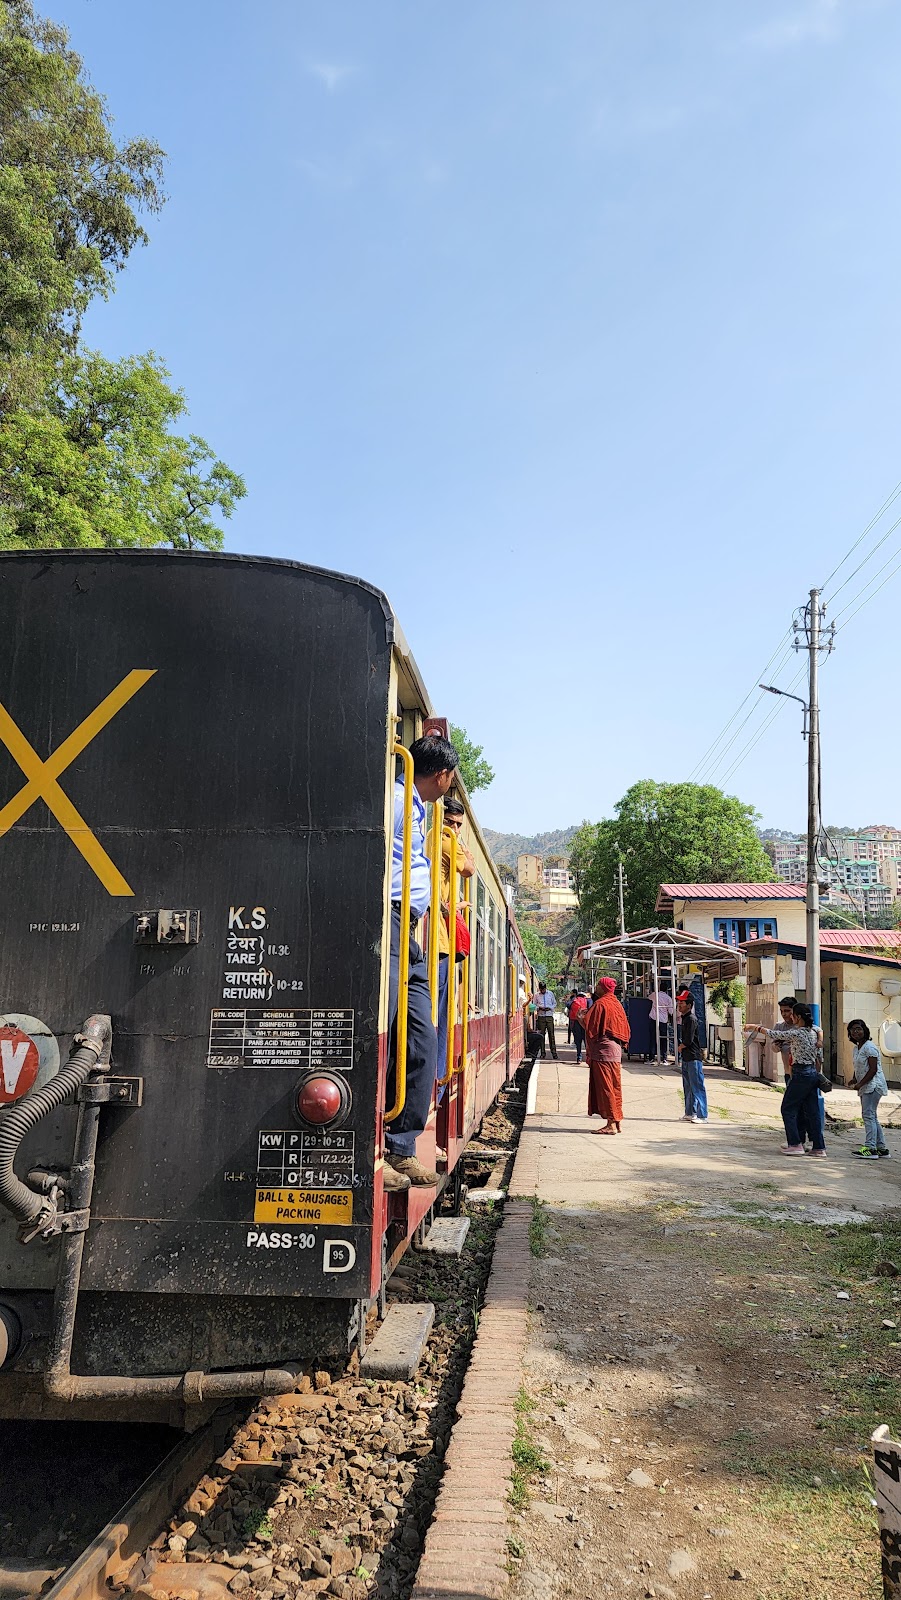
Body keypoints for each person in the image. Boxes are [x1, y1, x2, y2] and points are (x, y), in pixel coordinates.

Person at [386, 732, 458, 1190]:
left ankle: (401, 1146)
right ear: (443, 775)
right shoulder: (396, 801)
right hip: (390, 920)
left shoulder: (414, 806)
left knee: (421, 1036)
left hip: (409, 930)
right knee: (388, 1027)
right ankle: (377, 1149)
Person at [435, 796, 474, 1089]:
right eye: (450, 822)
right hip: (439, 941)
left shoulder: (430, 838)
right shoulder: (446, 840)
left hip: (439, 934)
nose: (454, 828)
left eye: (458, 825)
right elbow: (469, 870)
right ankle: (437, 1084)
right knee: (441, 1016)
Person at [754, 1001, 826, 1157]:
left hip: (800, 1074)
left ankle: (795, 1144)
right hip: (812, 1073)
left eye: (792, 1014)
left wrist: (756, 1028)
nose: (789, 1017)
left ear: (797, 1017)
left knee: (788, 1109)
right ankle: (818, 1147)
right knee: (812, 1111)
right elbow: (818, 1051)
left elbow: (774, 1034)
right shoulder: (813, 1033)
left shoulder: (797, 1033)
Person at [585, 976, 631, 1133]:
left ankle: (611, 1124)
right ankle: (616, 1122)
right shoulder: (617, 1004)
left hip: (603, 1052)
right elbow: (625, 1029)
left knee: (606, 1088)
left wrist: (581, 1019)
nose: (596, 987)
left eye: (598, 985)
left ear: (603, 988)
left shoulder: (601, 1004)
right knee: (615, 1087)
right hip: (616, 1052)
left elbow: (591, 1028)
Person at [848, 1020, 890, 1159]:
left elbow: (873, 1069)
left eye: (858, 1029)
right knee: (872, 1116)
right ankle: (881, 1148)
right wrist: (854, 1079)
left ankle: (870, 1148)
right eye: (852, 1030)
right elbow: (859, 1066)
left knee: (868, 1115)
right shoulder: (857, 1048)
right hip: (866, 1085)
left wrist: (860, 1084)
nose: (856, 1032)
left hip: (873, 1085)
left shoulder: (870, 1047)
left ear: (865, 1030)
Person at [677, 990, 708, 1124]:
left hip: (693, 1057)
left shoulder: (691, 1019)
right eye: (679, 1002)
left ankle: (702, 1115)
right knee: (688, 1086)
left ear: (689, 1005)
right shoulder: (684, 1018)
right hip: (686, 1057)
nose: (679, 1004)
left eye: (682, 1002)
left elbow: (689, 1040)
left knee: (697, 1086)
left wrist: (681, 1046)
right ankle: (690, 1112)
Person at [648, 984, 674, 1062]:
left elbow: (648, 998)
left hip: (653, 1018)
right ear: (666, 989)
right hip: (663, 1020)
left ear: (659, 988)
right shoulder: (668, 998)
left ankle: (651, 1057)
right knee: (663, 1039)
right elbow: (671, 1011)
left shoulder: (654, 995)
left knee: (652, 1038)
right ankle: (664, 1057)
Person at [534, 982, 558, 1060]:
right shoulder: (537, 995)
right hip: (541, 1016)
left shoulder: (550, 994)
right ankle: (542, 1053)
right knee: (542, 1035)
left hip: (549, 1016)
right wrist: (539, 1008)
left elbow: (554, 1003)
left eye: (543, 989)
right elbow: (534, 1005)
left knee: (551, 1035)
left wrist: (550, 1008)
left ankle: (554, 1053)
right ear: (539, 989)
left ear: (545, 988)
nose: (542, 991)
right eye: (541, 990)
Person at [569, 989, 590, 1065]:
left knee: (578, 1041)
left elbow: (568, 1005)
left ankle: (579, 1058)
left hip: (576, 1022)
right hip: (584, 1022)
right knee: (586, 1041)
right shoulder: (588, 1001)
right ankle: (588, 1057)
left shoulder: (574, 1000)